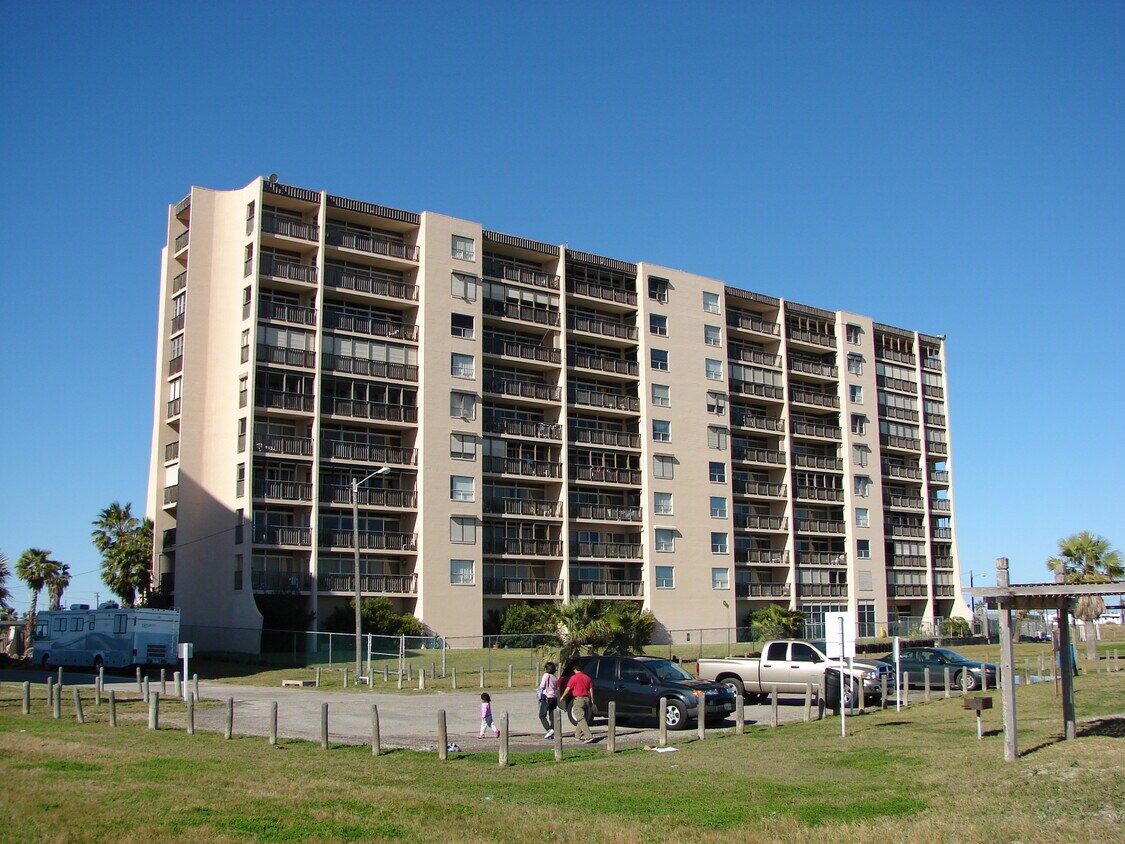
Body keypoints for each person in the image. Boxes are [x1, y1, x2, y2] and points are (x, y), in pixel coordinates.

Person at [560, 661, 595, 743]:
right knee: (582, 717)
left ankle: (588, 736)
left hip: (579, 699)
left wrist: (563, 696)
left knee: (579, 717)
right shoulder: (587, 678)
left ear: (575, 669)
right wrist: (592, 699)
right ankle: (577, 735)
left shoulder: (574, 678)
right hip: (586, 698)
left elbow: (568, 688)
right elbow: (591, 689)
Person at [537, 661, 560, 739]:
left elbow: (542, 685)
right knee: (552, 715)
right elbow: (556, 688)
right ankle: (553, 730)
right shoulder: (555, 677)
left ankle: (549, 729)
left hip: (547, 697)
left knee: (542, 715)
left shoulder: (546, 675)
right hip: (554, 697)